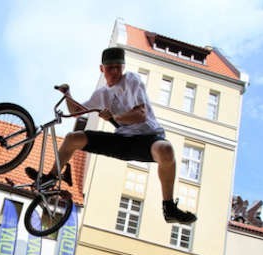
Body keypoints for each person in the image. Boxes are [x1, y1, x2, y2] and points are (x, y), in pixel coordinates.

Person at [24, 47, 196, 225]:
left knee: (166, 150)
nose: (114, 72)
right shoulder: (102, 94)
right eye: (109, 68)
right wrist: (67, 94)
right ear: (101, 69)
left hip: (147, 139)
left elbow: (141, 114)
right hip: (121, 141)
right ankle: (50, 178)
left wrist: (115, 117)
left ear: (123, 67)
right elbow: (76, 112)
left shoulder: (131, 80)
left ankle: (169, 208)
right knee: (72, 138)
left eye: (118, 67)